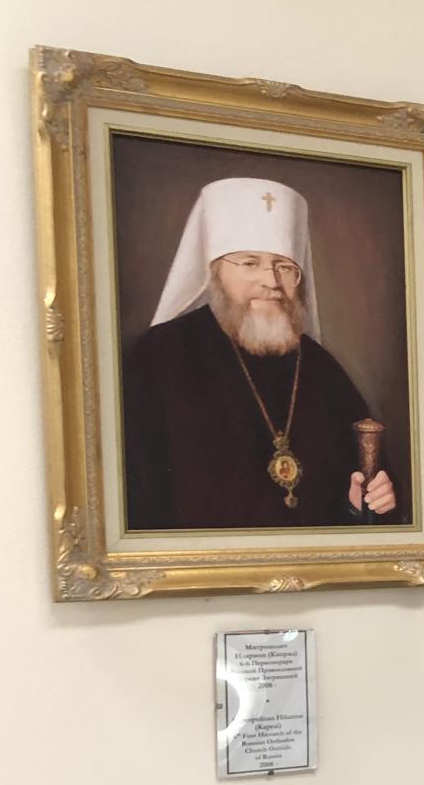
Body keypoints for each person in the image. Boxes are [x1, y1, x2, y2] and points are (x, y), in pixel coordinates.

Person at [122, 177, 400, 530]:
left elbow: (367, 492)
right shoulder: (161, 355)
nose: (271, 280)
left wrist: (368, 503)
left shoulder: (319, 366)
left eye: (284, 267)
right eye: (250, 263)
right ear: (214, 272)